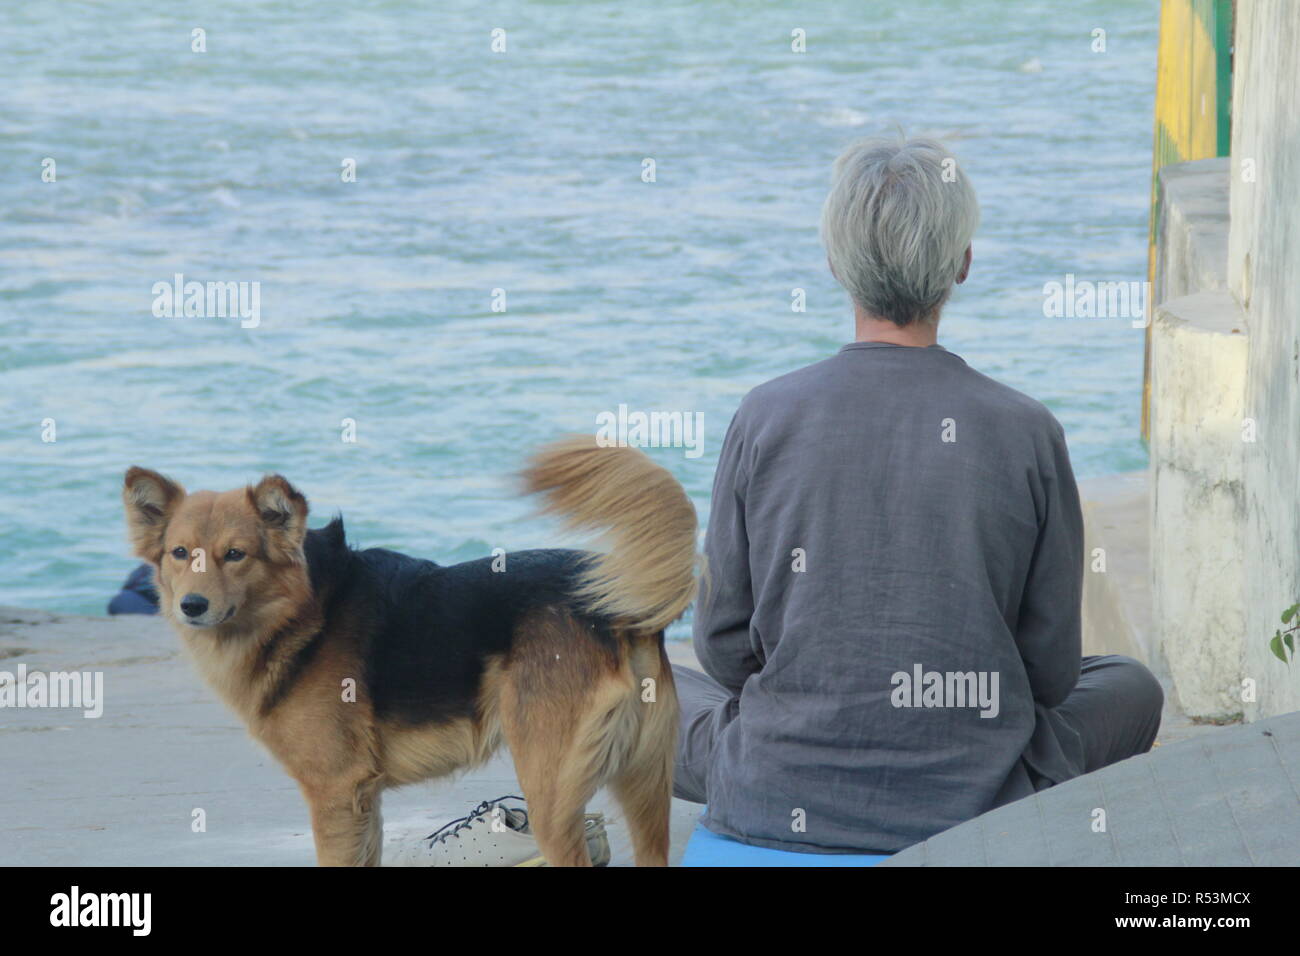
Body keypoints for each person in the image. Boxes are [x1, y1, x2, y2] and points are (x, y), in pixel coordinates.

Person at [671, 137, 1163, 854]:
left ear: (836, 265)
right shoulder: (1027, 429)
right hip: (977, 796)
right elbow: (1052, 674)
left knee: (655, 694)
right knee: (1130, 685)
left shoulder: (764, 415)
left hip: (771, 789)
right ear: (962, 264)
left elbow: (721, 651)